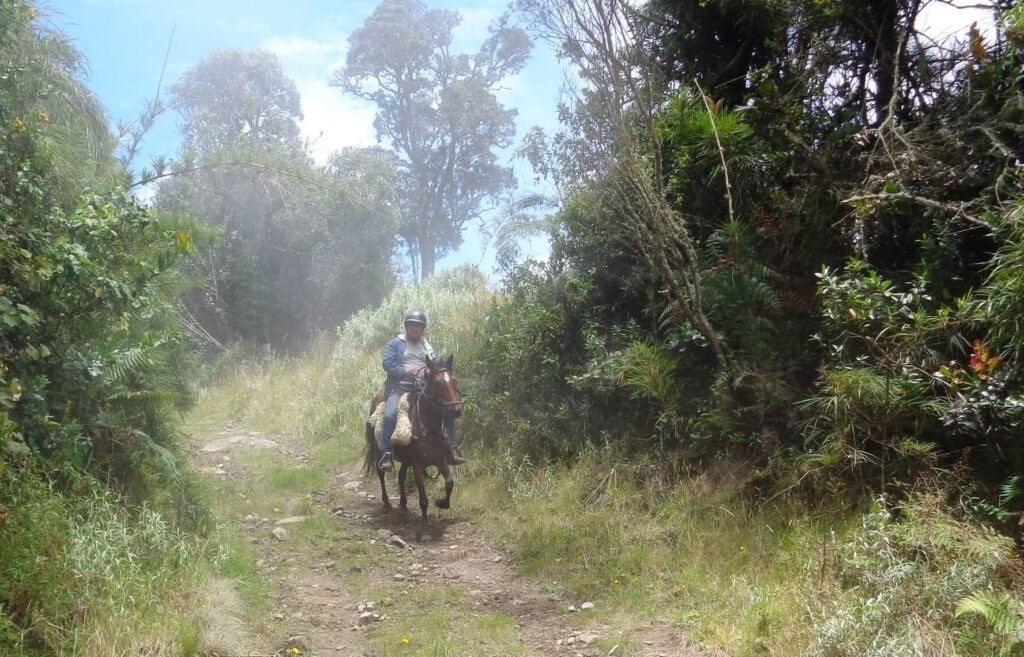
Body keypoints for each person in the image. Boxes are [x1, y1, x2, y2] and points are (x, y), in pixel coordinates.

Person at [377, 310, 466, 472]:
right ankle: (387, 453)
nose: (415, 328)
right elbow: (387, 363)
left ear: (422, 328)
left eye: (418, 326)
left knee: (449, 411)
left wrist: (434, 370)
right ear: (407, 326)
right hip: (399, 386)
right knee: (389, 414)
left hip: (422, 387)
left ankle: (451, 449)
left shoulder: (427, 346)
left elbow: (437, 366)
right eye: (412, 325)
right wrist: (404, 371)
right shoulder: (396, 343)